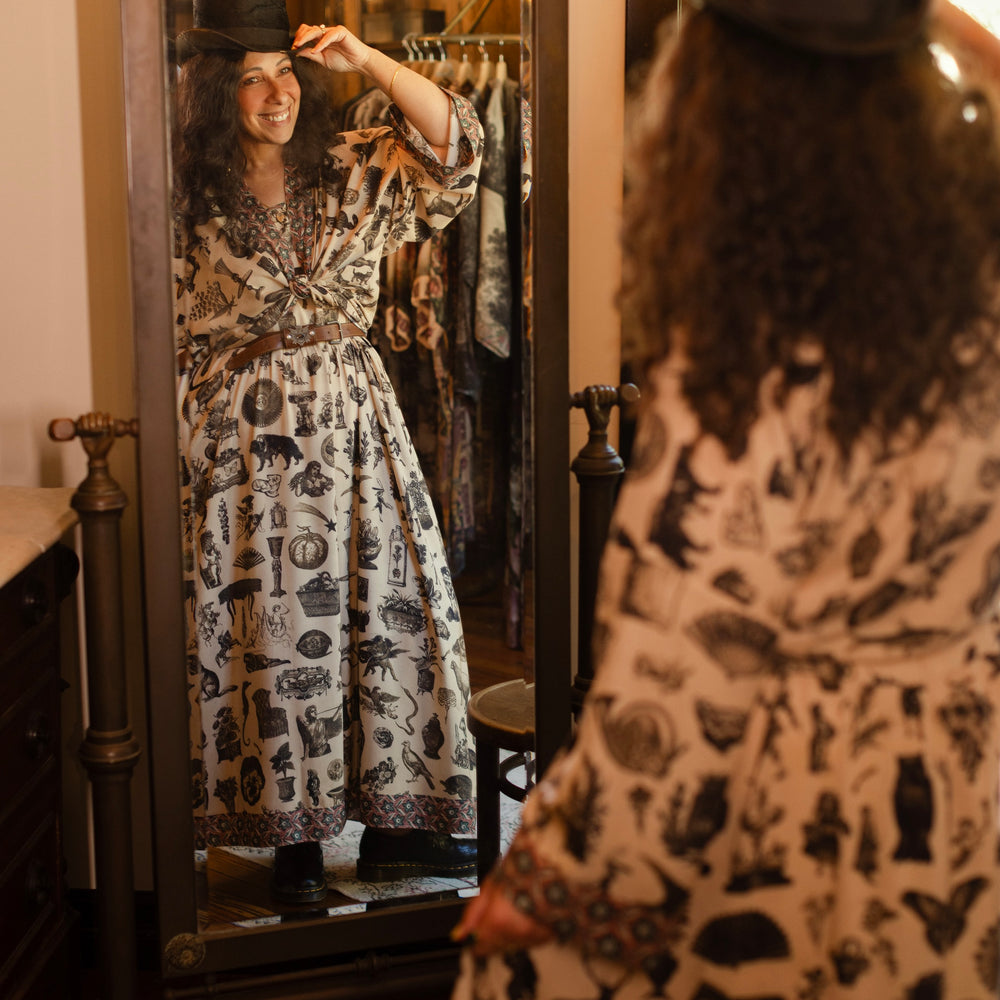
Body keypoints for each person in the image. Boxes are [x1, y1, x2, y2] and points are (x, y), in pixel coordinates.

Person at [452, 1, 1000, 997]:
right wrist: (937, 40)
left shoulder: (751, 368)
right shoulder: (975, 308)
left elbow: (683, 663)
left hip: (799, 813)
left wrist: (561, 884)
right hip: (964, 797)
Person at [172, 0, 484, 904]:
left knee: (392, 615)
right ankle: (294, 846)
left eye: (286, 73)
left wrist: (367, 59)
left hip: (356, 430)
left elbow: (459, 144)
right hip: (247, 447)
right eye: (250, 78)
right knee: (276, 642)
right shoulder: (185, 190)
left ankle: (398, 829)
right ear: (214, 94)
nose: (277, 96)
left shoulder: (355, 164)